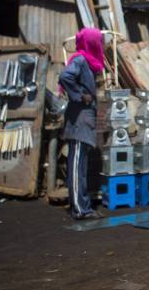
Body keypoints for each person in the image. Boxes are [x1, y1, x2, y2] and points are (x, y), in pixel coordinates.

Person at [58, 28, 105, 220]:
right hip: (79, 120)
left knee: (81, 165)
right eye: (99, 41)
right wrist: (79, 95)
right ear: (91, 42)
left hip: (85, 119)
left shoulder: (89, 62)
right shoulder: (80, 60)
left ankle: (83, 205)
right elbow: (65, 76)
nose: (101, 45)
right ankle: (79, 209)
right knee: (77, 166)